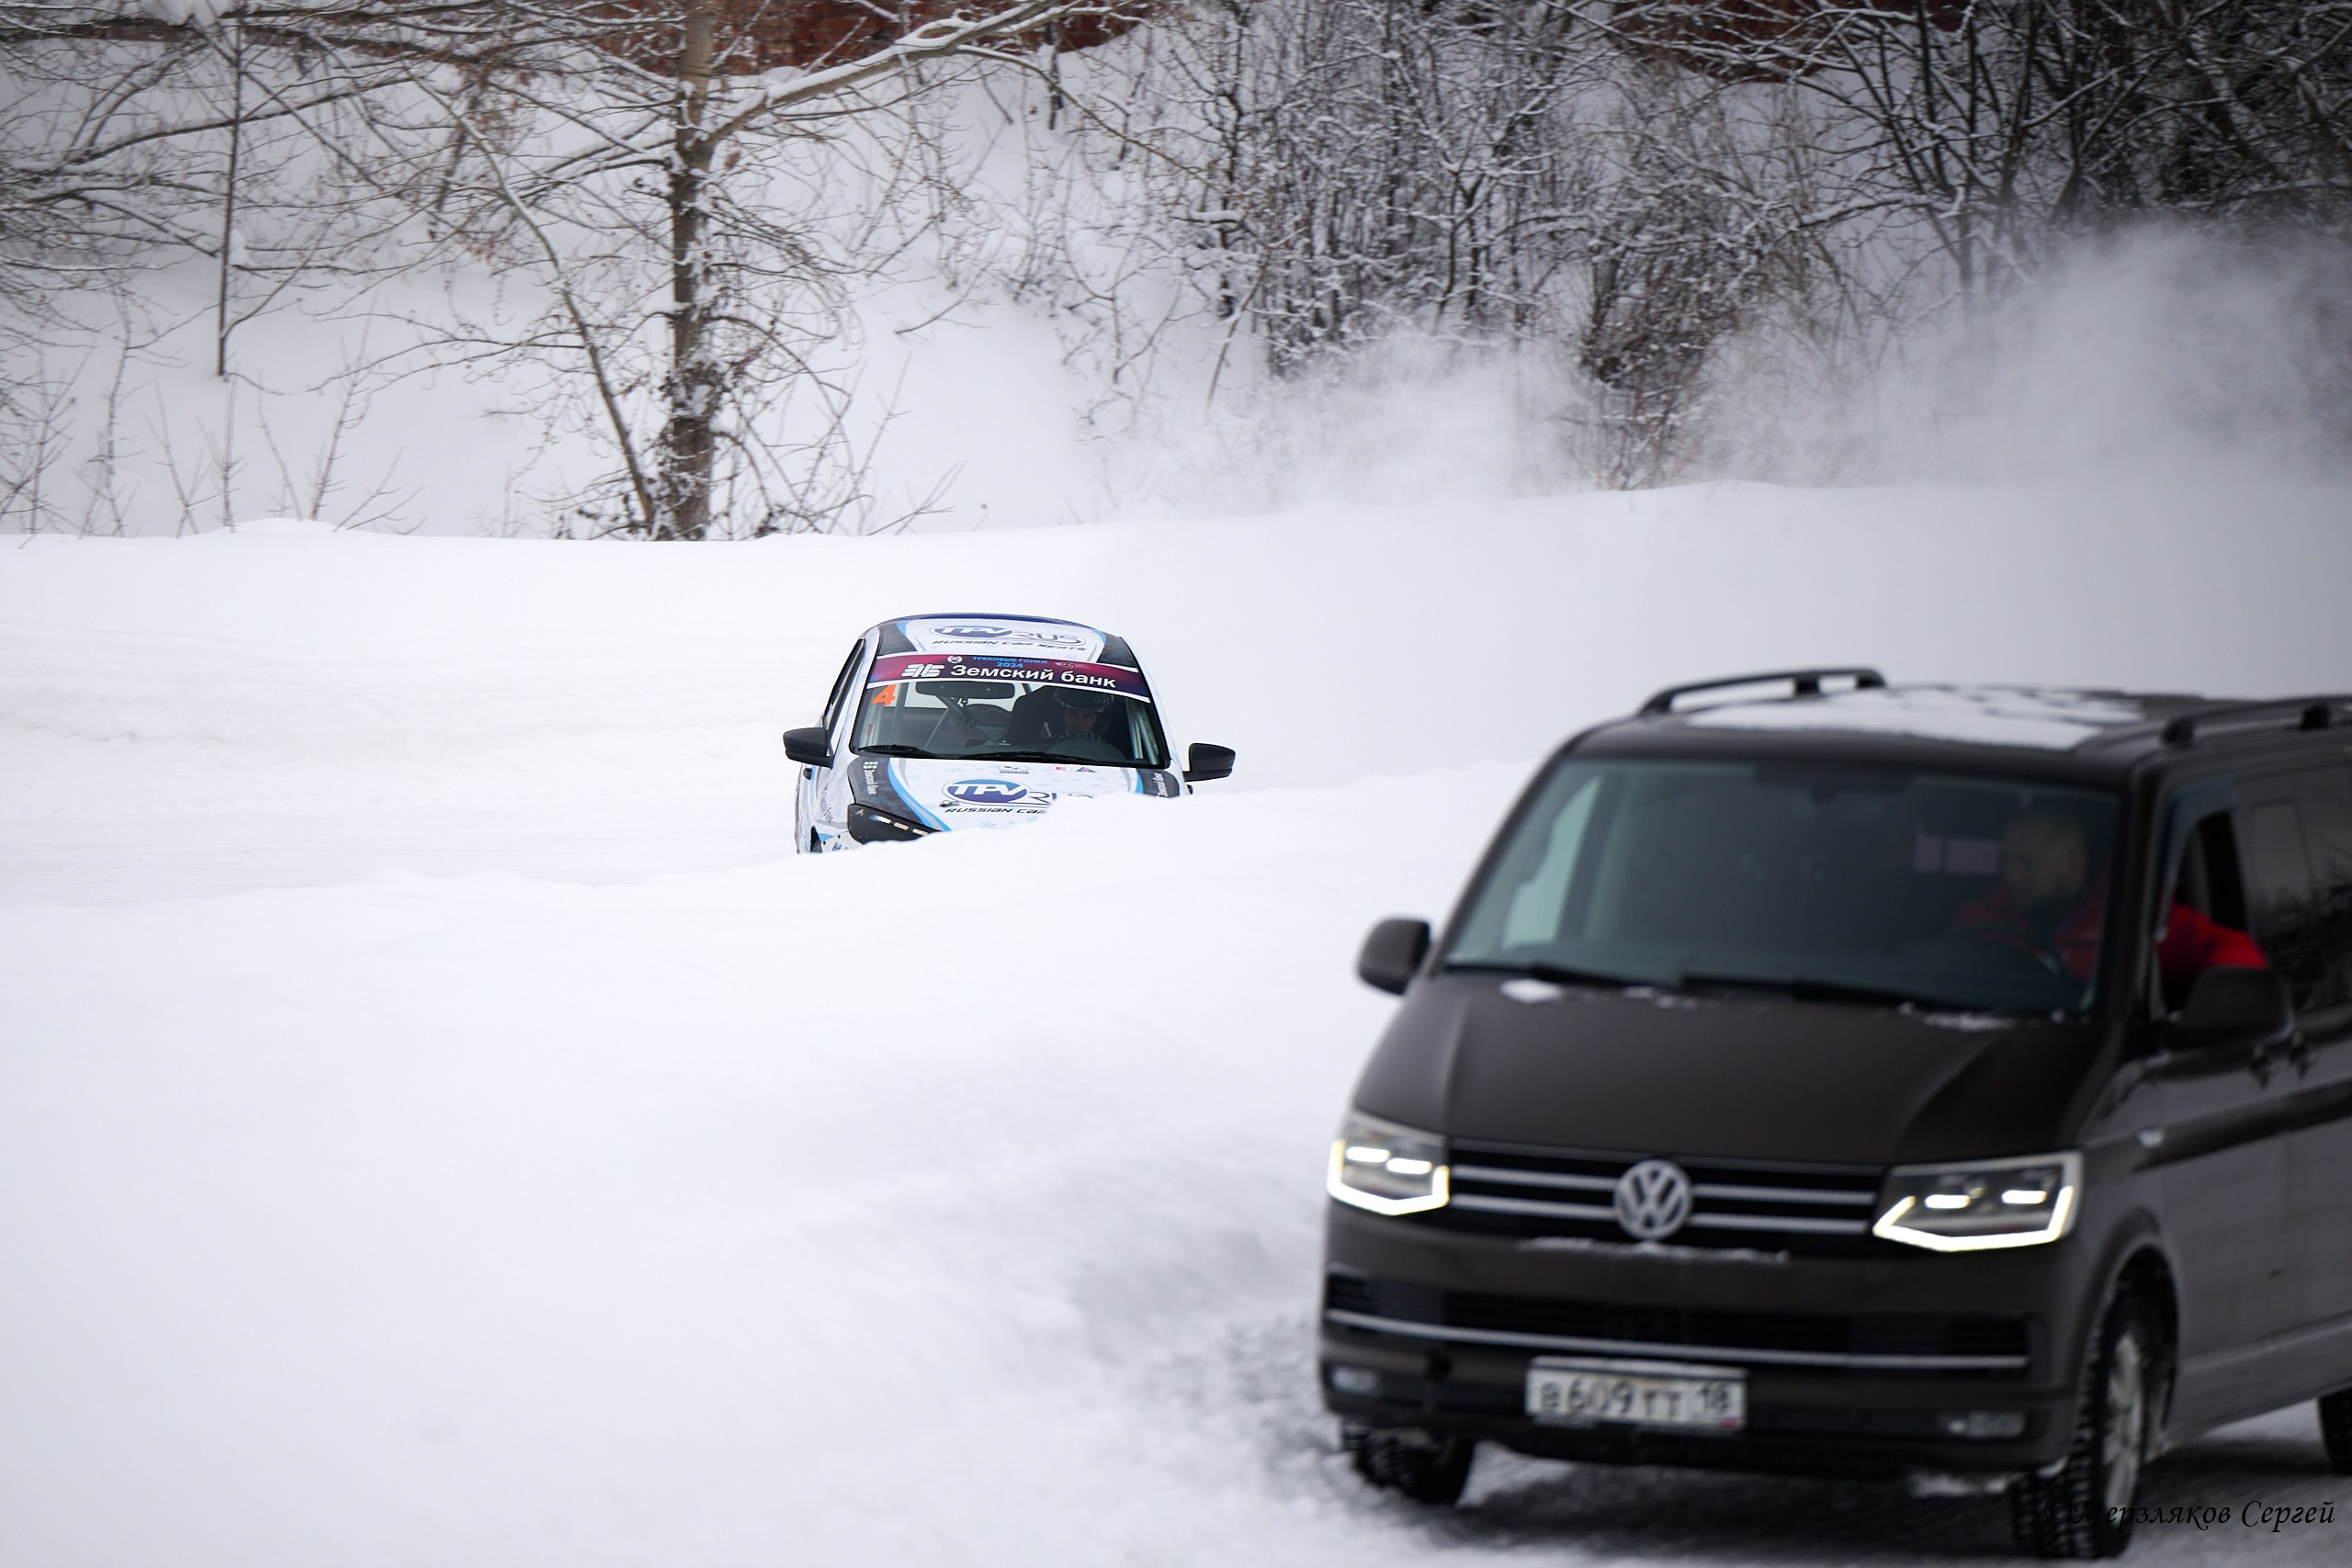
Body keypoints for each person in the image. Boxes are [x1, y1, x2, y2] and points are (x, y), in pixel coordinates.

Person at [1954, 806, 2264, 998]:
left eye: (2028, 863)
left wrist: (2221, 999)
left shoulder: (2130, 912)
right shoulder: (1982, 918)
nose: (2011, 875)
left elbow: (2233, 950)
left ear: (2071, 866)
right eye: (2006, 860)